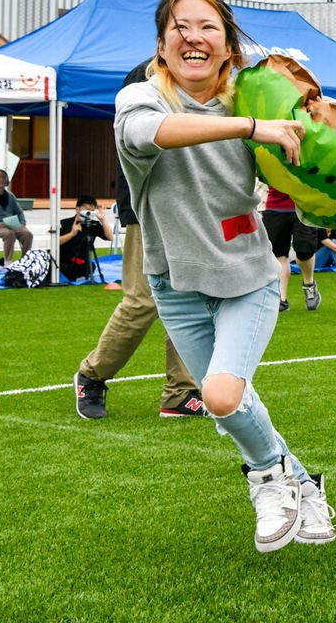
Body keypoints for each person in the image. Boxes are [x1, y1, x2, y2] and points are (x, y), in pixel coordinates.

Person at [114, 0, 333, 552]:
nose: (193, 36)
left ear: (228, 45)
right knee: (234, 397)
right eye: (180, 27)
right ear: (162, 45)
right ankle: (306, 487)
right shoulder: (143, 98)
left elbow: (307, 163)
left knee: (220, 395)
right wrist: (250, 128)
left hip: (247, 277)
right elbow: (150, 136)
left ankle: (267, 481)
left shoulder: (253, 99)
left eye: (208, 26)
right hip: (175, 283)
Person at [74, 68, 205, 421]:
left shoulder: (203, 83)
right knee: (142, 301)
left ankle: (181, 392)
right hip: (147, 209)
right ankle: (91, 375)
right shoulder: (143, 79)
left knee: (190, 301)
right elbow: (135, 139)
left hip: (191, 212)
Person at [262, 188, 322, 311]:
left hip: (304, 206)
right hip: (275, 207)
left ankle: (309, 284)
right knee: (278, 254)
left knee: (304, 250)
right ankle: (281, 299)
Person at [0, 169, 34, 264]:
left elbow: (19, 211)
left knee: (28, 234)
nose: (1, 180)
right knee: (9, 234)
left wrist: (22, 222)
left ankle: (25, 260)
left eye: (4, 177)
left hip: (11, 225)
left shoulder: (10, 195)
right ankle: (8, 261)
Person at [59, 194, 113, 282]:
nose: (88, 213)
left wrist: (103, 220)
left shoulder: (93, 224)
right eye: (86, 209)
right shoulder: (65, 223)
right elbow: (55, 243)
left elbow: (110, 237)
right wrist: (72, 234)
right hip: (64, 260)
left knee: (91, 266)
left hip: (82, 262)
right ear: (77, 209)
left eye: (91, 211)